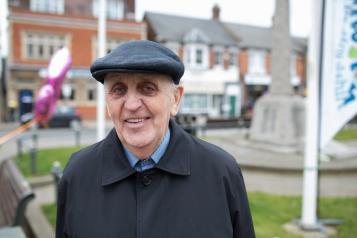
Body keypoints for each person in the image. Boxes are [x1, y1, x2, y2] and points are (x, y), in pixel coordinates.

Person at [56, 40, 255, 238]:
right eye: (118, 89)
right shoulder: (78, 175)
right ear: (108, 102)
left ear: (175, 99)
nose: (132, 105)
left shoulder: (221, 173)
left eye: (148, 88)